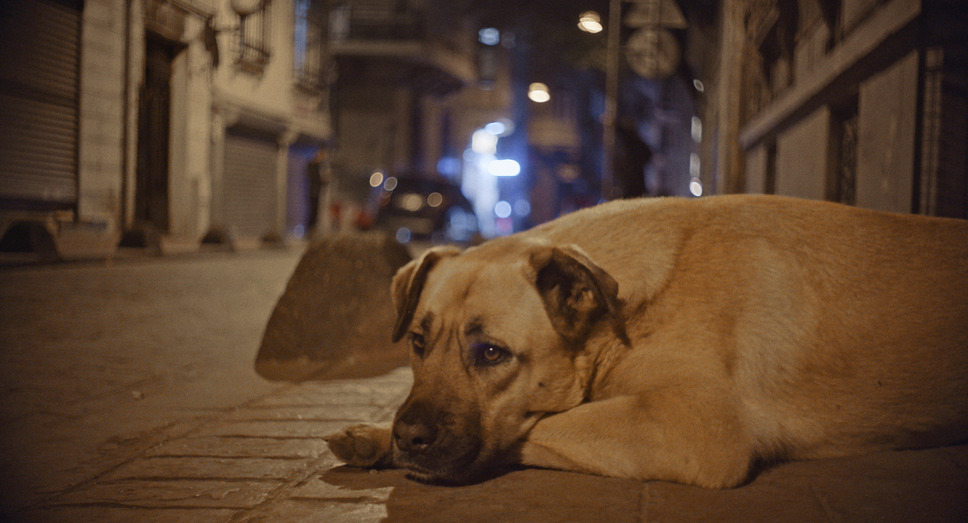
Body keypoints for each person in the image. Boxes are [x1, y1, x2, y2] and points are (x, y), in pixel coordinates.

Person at [307, 149, 333, 236]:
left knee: (316, 212)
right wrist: (322, 179)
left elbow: (323, 182)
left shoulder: (320, 166)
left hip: (317, 192)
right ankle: (310, 230)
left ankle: (313, 229)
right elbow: (313, 178)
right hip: (312, 192)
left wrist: (326, 179)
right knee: (312, 211)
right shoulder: (312, 165)